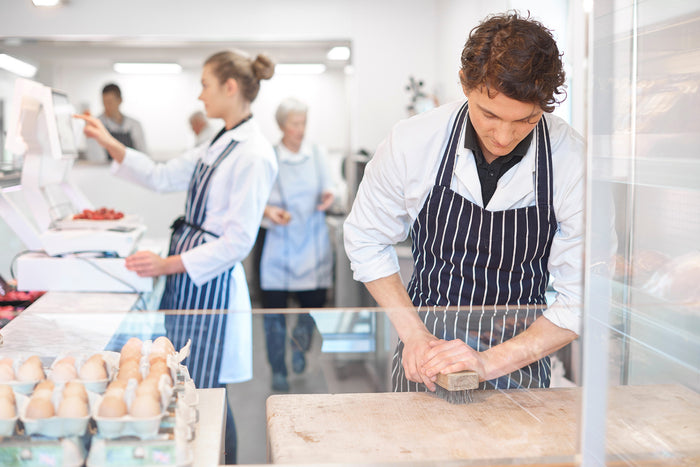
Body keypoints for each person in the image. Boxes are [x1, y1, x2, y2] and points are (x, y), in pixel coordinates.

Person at [344, 11, 584, 393]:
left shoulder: (572, 160)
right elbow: (366, 239)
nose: (504, 136)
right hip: (426, 355)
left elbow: (582, 296)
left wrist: (487, 363)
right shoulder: (413, 141)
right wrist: (415, 337)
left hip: (520, 359)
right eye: (489, 114)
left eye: (526, 120)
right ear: (464, 84)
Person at [76, 50, 277, 464]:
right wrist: (108, 141)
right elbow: (162, 175)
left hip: (212, 289)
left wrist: (167, 264)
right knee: (190, 388)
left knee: (206, 395)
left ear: (230, 87)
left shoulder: (253, 153)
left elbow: (238, 243)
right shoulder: (219, 142)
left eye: (205, 84)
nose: (199, 95)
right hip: (190, 284)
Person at [259, 97, 335, 391]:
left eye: (303, 123)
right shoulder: (269, 156)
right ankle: (278, 368)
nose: (300, 130)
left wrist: (329, 195)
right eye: (294, 124)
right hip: (279, 246)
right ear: (281, 126)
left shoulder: (317, 153)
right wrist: (268, 212)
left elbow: (331, 187)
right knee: (273, 318)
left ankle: (299, 349)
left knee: (311, 311)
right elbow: (255, 199)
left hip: (313, 245)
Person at [86, 83, 147, 162]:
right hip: (105, 171)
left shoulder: (134, 125)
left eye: (110, 102)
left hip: (132, 170)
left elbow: (143, 155)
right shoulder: (96, 125)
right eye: (104, 102)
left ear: (120, 100)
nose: (107, 107)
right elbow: (97, 159)